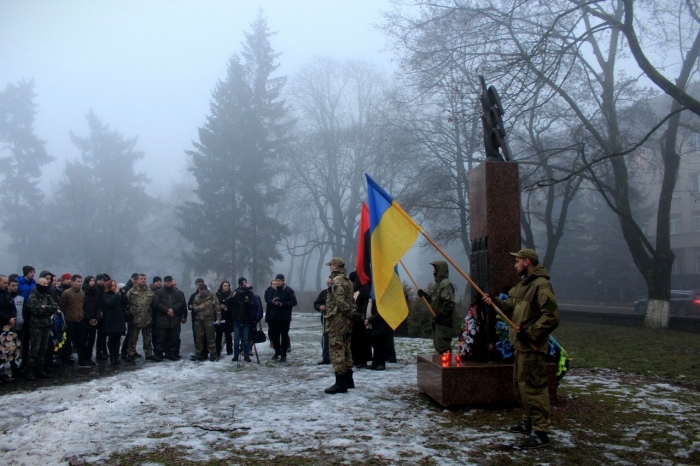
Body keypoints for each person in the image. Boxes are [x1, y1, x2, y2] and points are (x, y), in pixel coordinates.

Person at [483, 248, 560, 449]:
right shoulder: (522, 286)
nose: (514, 265)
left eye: (517, 261)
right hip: (520, 346)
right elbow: (511, 309)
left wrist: (532, 332)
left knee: (534, 388)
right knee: (521, 387)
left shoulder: (541, 286)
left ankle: (541, 432)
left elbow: (551, 316)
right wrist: (495, 302)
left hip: (532, 348)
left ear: (527, 262)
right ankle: (528, 422)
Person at [323, 257, 355, 394]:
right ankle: (348, 380)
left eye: (331, 265)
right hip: (346, 321)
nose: (330, 267)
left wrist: (347, 312)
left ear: (335, 266)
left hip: (337, 320)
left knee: (337, 350)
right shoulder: (347, 280)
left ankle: (340, 383)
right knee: (346, 348)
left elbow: (340, 301)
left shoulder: (337, 280)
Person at [417, 261, 455, 355]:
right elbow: (434, 300)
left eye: (435, 268)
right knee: (438, 346)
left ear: (440, 270)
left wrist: (441, 315)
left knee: (443, 347)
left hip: (443, 322)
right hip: (437, 321)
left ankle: (447, 367)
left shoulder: (445, 284)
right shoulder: (438, 285)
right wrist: (425, 295)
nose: (433, 271)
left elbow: (449, 303)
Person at [24, 277, 58, 380]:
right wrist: (45, 308)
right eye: (43, 284)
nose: (45, 286)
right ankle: (30, 370)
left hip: (46, 325)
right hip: (36, 326)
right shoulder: (33, 297)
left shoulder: (47, 296)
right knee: (34, 349)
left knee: (43, 349)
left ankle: (40, 369)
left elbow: (54, 307)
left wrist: (45, 307)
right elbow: (35, 310)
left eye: (46, 284)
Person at [265, 274, 297, 363]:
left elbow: (294, 302)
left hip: (285, 317)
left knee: (284, 336)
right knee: (274, 336)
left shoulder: (289, 290)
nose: (277, 282)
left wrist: (283, 304)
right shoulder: (273, 290)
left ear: (283, 281)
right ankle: (277, 352)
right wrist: (272, 301)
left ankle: (283, 354)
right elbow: (268, 300)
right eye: (276, 280)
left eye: (279, 281)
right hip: (274, 317)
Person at [153, 276, 186, 361]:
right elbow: (156, 303)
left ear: (172, 282)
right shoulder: (158, 292)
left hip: (173, 318)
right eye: (167, 281)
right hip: (162, 318)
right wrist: (167, 310)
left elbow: (181, 302)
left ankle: (171, 354)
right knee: (161, 338)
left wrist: (173, 309)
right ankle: (158, 354)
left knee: (173, 338)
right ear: (164, 282)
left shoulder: (177, 293)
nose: (168, 283)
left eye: (170, 281)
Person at [126, 274, 157, 362]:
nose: (143, 280)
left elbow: (153, 304)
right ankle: (131, 353)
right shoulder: (131, 291)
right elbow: (127, 304)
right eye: (141, 279)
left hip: (147, 318)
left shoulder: (149, 291)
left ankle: (149, 354)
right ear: (136, 280)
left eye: (144, 279)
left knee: (147, 338)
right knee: (133, 338)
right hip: (135, 318)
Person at [59, 274, 87, 366]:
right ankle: (65, 359)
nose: (79, 283)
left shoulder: (82, 293)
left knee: (81, 341)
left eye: (80, 281)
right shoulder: (66, 293)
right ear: (72, 282)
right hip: (69, 320)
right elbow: (62, 306)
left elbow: (83, 305)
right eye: (77, 281)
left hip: (80, 320)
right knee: (67, 341)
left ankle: (81, 359)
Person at [224, 277, 253, 362]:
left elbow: (252, 305)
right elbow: (227, 302)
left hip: (245, 318)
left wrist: (247, 301)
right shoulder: (235, 292)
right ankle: (236, 355)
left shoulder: (249, 293)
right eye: (242, 282)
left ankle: (246, 355)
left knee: (245, 338)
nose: (244, 283)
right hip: (236, 318)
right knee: (236, 338)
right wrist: (232, 297)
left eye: (245, 282)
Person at [100, 280, 128, 365]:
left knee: (118, 339)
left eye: (115, 285)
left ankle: (117, 357)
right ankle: (112, 357)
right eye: (112, 286)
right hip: (111, 320)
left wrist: (123, 294)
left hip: (119, 319)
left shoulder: (118, 295)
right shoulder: (105, 296)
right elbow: (110, 303)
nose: (114, 287)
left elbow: (125, 303)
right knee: (112, 339)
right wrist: (116, 295)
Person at [192, 283, 220, 361]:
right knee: (199, 338)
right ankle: (198, 354)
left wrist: (218, 319)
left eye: (203, 291)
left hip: (209, 319)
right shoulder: (197, 297)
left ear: (205, 290)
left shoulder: (212, 296)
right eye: (200, 291)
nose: (201, 293)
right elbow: (194, 307)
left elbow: (217, 308)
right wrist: (199, 307)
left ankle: (213, 354)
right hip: (199, 319)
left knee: (210, 337)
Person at [349, 271, 372, 369]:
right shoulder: (354, 291)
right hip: (354, 320)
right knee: (354, 341)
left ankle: (363, 360)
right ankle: (356, 359)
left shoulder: (363, 291)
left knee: (362, 341)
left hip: (360, 320)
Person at [0, 274, 18, 382]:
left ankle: (3, 373)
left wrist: (13, 317)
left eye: (7, 283)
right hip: (2, 323)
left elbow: (12, 307)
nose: (6, 285)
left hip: (8, 326)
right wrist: (8, 319)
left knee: (6, 351)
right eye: (4, 283)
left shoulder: (7, 293)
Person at [120, 273, 140, 359]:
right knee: (130, 334)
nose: (136, 280)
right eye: (134, 279)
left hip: (137, 313)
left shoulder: (138, 288)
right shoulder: (127, 289)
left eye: (137, 279)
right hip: (130, 313)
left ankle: (132, 350)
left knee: (134, 334)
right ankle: (124, 351)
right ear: (131, 279)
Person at [313, 277, 332, 365]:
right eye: (327, 283)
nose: (329, 285)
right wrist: (320, 307)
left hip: (337, 320)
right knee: (325, 338)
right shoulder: (324, 293)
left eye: (330, 283)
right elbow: (316, 303)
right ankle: (326, 357)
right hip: (325, 319)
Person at [82, 276, 101, 366]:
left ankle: (89, 357)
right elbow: (82, 308)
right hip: (86, 320)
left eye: (93, 280)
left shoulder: (95, 293)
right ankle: (84, 357)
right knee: (84, 339)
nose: (93, 282)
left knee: (92, 339)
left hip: (94, 319)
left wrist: (96, 318)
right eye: (91, 281)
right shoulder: (83, 293)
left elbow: (98, 307)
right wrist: (88, 318)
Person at [188, 278, 205, 360]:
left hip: (205, 319)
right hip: (195, 319)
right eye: (198, 284)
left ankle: (205, 353)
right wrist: (190, 307)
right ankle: (198, 352)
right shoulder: (193, 295)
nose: (199, 285)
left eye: (201, 284)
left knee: (205, 337)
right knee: (196, 337)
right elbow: (189, 305)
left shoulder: (208, 295)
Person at [215, 281, 233, 356]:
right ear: (222, 286)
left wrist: (227, 308)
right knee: (219, 335)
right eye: (225, 285)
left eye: (227, 286)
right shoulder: (217, 295)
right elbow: (214, 305)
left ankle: (229, 350)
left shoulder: (231, 294)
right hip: (219, 317)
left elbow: (233, 306)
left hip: (228, 317)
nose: (226, 287)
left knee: (228, 335)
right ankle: (217, 351)